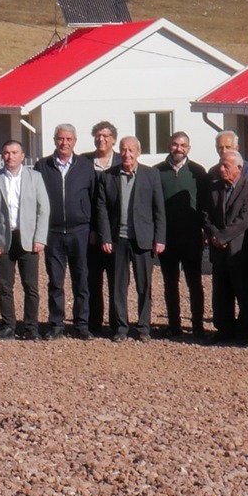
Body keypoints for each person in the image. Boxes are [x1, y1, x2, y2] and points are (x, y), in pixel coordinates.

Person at [93, 137, 167, 342]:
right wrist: (105, 236)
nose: (127, 154)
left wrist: (160, 238)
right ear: (119, 152)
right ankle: (121, 328)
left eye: (131, 150)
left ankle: (143, 327)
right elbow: (102, 210)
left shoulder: (151, 175)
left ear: (138, 152)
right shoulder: (108, 177)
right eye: (124, 150)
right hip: (118, 240)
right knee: (118, 285)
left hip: (143, 239)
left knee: (144, 286)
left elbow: (159, 208)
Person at [0, 141, 48, 340]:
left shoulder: (35, 178)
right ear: (2, 156)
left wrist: (40, 238)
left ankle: (31, 327)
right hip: (3, 239)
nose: (10, 156)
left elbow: (43, 210)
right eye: (7, 153)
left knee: (31, 286)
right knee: (5, 286)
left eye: (14, 152)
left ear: (22, 155)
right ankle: (8, 325)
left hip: (28, 238)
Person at [37, 124, 98, 340]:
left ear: (75, 141)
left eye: (68, 139)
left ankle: (81, 324)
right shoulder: (42, 166)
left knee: (82, 280)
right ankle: (56, 325)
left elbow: (94, 199)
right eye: (61, 139)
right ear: (55, 140)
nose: (64, 143)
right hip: (53, 232)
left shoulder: (85, 166)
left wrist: (93, 229)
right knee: (55, 281)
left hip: (80, 231)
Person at [202, 151, 248, 342]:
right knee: (221, 292)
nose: (222, 169)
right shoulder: (214, 188)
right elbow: (206, 214)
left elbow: (244, 220)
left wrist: (224, 236)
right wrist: (214, 235)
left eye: (226, 165)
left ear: (239, 168)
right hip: (218, 251)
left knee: (245, 292)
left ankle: (246, 331)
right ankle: (224, 329)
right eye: (221, 164)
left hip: (240, 250)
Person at [155, 131, 208, 339]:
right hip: (167, 237)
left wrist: (204, 230)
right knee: (170, 283)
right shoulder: (157, 172)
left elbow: (204, 204)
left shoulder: (197, 172)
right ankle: (174, 324)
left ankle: (197, 325)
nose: (179, 148)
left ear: (189, 148)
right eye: (175, 144)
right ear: (169, 145)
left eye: (183, 145)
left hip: (191, 237)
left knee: (194, 283)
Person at [83, 120, 119, 335]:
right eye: (97, 135)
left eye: (105, 135)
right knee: (92, 280)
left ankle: (116, 323)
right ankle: (94, 323)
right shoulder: (85, 162)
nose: (101, 139)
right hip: (90, 232)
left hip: (115, 232)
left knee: (116, 281)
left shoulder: (120, 162)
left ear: (113, 139)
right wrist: (91, 230)